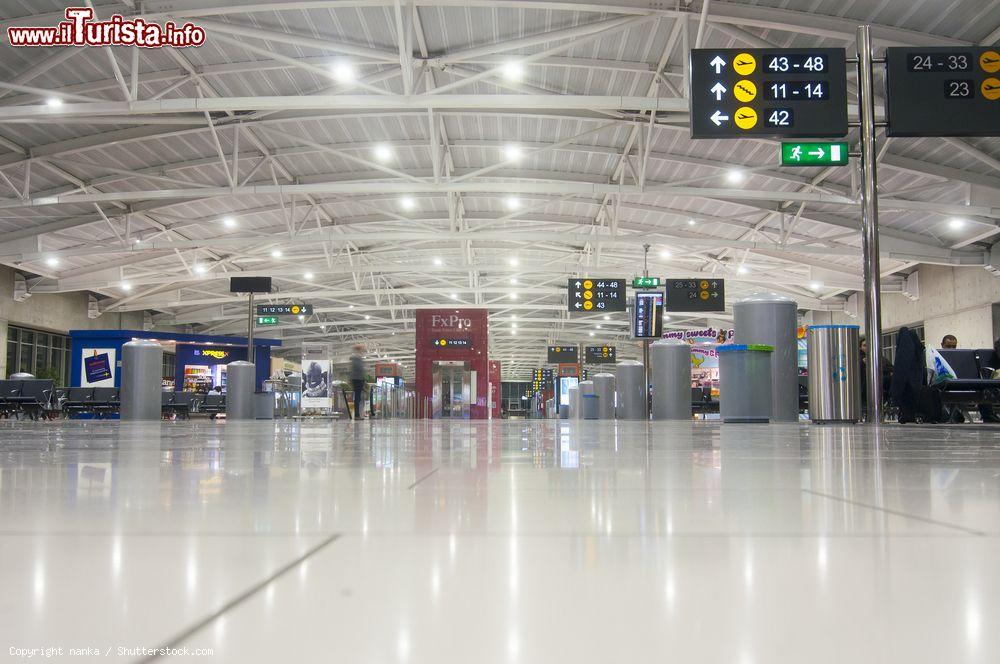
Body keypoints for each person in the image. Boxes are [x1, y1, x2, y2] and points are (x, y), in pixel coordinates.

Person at [349, 344, 366, 420]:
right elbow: (358, 369)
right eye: (361, 349)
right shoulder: (356, 358)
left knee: (358, 398)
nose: (362, 351)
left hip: (359, 379)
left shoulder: (358, 358)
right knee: (357, 398)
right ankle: (357, 415)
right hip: (357, 379)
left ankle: (358, 414)